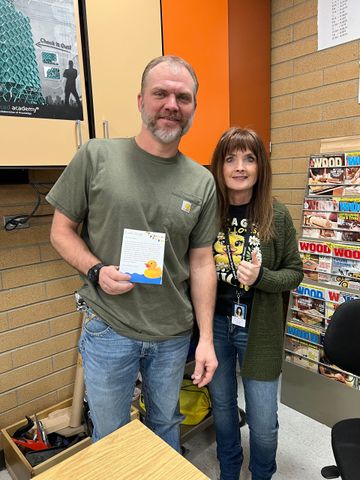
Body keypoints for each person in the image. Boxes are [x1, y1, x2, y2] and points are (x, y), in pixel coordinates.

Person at [46, 55, 218, 452]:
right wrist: (95, 270)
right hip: (110, 328)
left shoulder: (202, 181)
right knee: (111, 438)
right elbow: (60, 230)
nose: (171, 104)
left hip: (173, 334)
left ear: (193, 108)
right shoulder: (95, 156)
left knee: (165, 428)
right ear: (140, 101)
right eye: (161, 93)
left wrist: (205, 339)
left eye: (183, 97)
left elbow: (202, 261)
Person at [209, 127, 303, 480]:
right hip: (216, 325)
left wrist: (262, 278)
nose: (240, 167)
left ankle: (262, 474)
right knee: (222, 407)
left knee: (263, 423)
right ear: (219, 166)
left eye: (249, 158)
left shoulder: (275, 215)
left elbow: (295, 272)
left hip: (258, 328)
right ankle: (229, 471)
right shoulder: (209, 213)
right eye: (230, 158)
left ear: (260, 166)